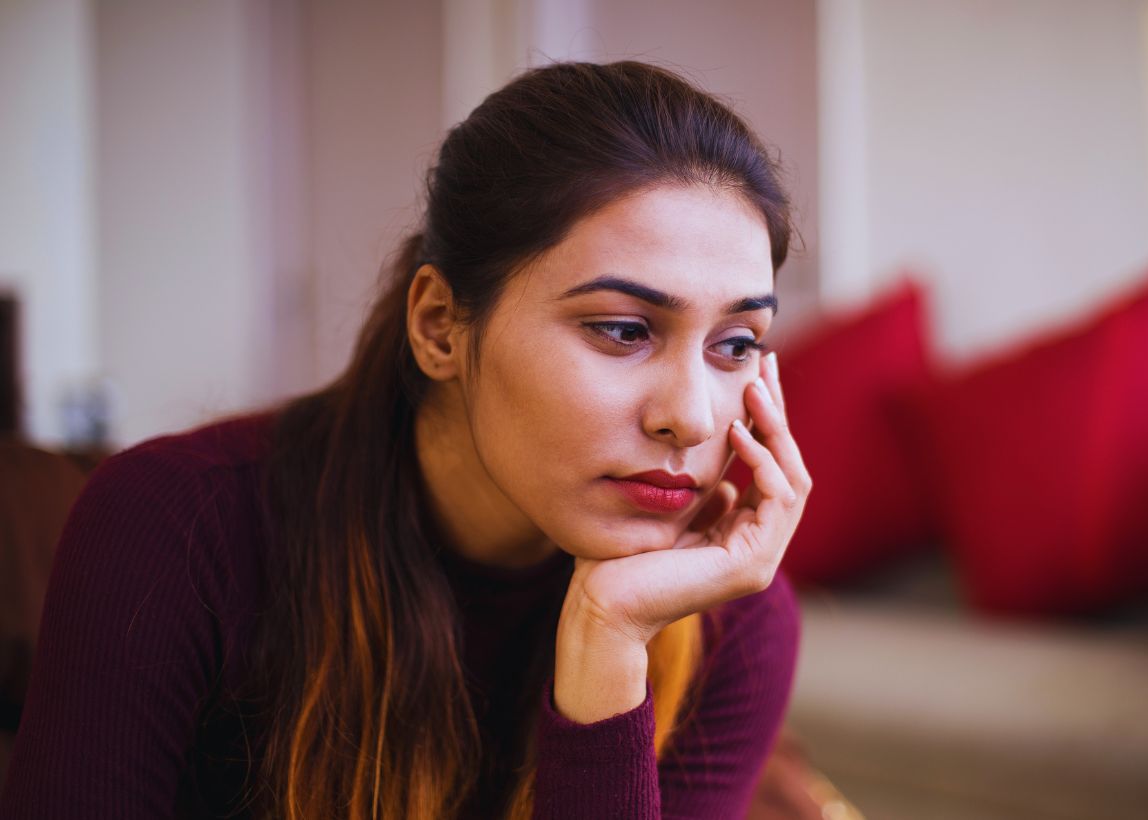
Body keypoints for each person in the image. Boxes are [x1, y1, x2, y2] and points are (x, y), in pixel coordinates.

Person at [0, 60, 810, 819]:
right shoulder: (172, 528)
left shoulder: (728, 619)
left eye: (736, 344)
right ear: (439, 328)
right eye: (624, 329)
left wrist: (609, 643)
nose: (695, 417)